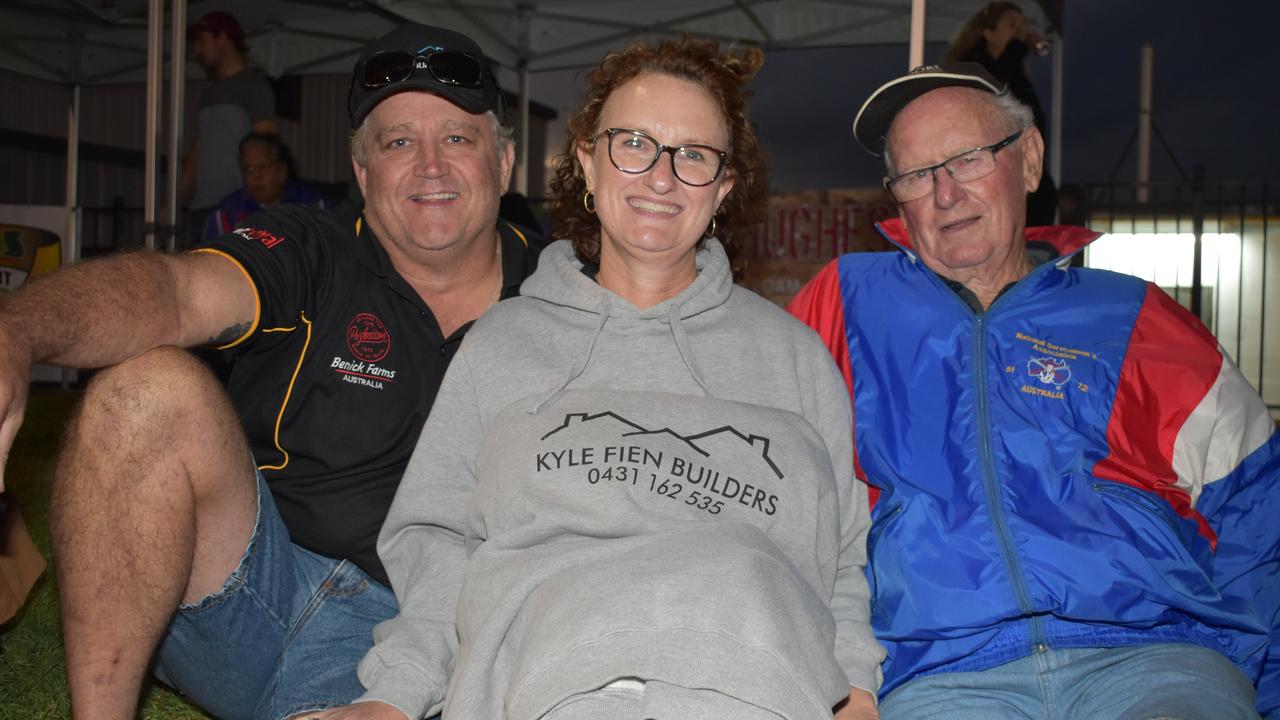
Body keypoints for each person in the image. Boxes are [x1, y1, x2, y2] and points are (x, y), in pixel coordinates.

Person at [0, 22, 543, 720]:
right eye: (399, 141)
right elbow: (176, 292)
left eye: (458, 139)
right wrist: (18, 330)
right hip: (250, 595)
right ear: (362, 169)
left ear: (503, 162)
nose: (429, 165)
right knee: (142, 391)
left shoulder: (563, 299)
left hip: (429, 636)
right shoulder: (312, 246)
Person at [339, 36, 884, 720]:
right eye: (633, 143)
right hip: (545, 686)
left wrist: (856, 693)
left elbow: (841, 562)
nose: (661, 177)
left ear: (723, 189)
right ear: (588, 166)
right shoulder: (503, 346)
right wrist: (393, 695)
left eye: (693, 155)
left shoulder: (796, 359)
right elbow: (439, 547)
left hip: (756, 688)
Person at [788, 62, 1279, 719]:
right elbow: (764, 477)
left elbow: (1256, 507)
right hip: (936, 676)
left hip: (1154, 659)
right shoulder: (844, 302)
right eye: (915, 174)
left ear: (1028, 160)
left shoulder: (1138, 317)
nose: (944, 193)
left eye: (966, 159)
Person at [945, 2, 1057, 225]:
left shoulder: (1013, 70)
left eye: (1021, 24)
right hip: (989, 170)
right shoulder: (974, 72)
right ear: (989, 32)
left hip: (1022, 168)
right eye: (1011, 24)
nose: (1019, 30)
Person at [182, 11, 278, 246]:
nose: (197, 50)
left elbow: (267, 146)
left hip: (237, 210)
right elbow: (198, 150)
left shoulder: (253, 87)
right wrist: (175, 199)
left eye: (202, 40)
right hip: (202, 208)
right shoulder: (209, 94)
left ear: (222, 38)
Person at [201, 132, 328, 242]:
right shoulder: (226, 213)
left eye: (263, 167)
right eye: (249, 169)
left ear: (282, 170)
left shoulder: (312, 204)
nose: (256, 176)